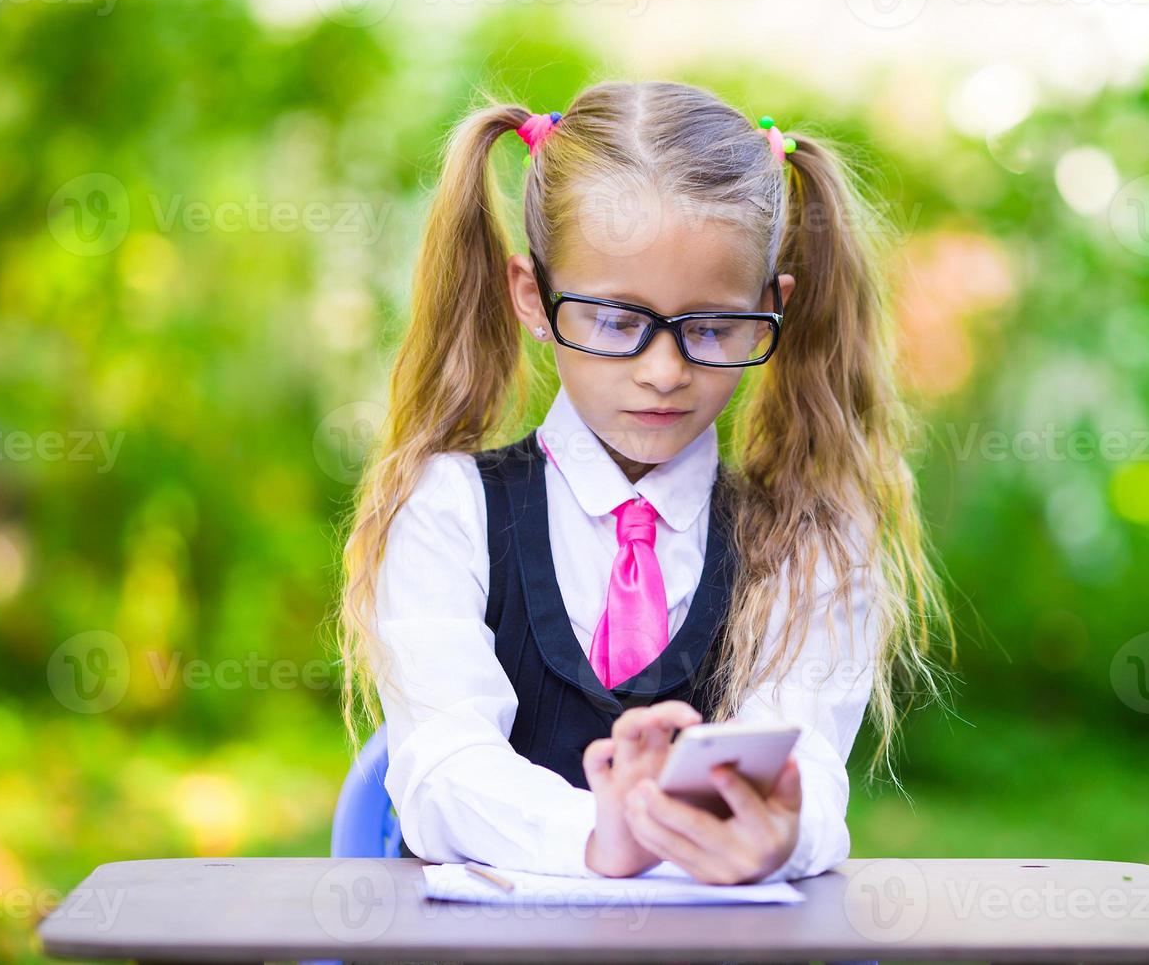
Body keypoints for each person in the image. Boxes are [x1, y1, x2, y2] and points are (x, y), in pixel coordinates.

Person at [335, 79, 953, 885]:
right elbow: (443, 771)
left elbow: (807, 777)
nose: (664, 372)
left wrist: (780, 835)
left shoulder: (814, 543)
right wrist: (603, 837)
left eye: (711, 327)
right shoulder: (448, 511)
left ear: (773, 307)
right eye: (619, 322)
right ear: (534, 296)